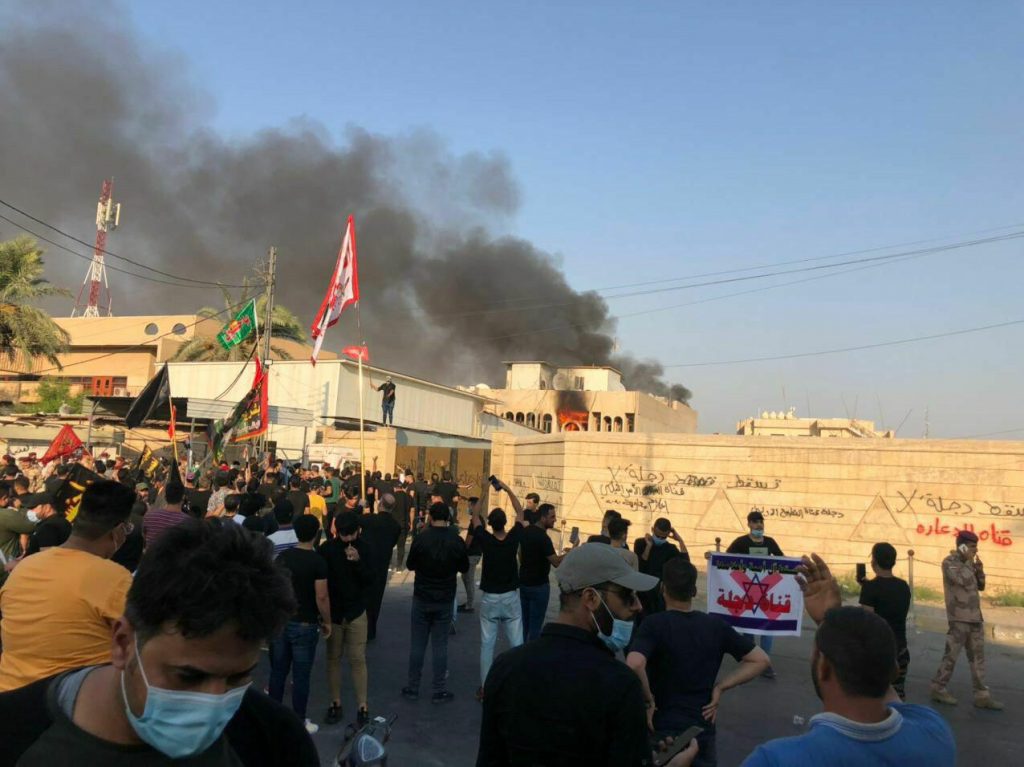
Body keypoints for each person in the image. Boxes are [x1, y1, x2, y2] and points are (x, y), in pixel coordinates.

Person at [1, 518, 317, 765]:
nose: (213, 702)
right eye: (188, 676)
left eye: (238, 678)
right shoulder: (14, 734)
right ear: (123, 644)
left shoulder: (276, 741)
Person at [477, 543, 696, 767]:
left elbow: (489, 758)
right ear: (591, 598)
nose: (637, 606)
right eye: (627, 595)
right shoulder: (619, 684)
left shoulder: (506, 667)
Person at [740, 554, 956, 767]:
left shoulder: (774, 760)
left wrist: (829, 620)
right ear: (894, 669)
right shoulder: (934, 733)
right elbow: (885, 683)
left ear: (823, 667)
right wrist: (832, 621)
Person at [627, 559, 769, 767]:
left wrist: (649, 700)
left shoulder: (653, 624)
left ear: (663, 589)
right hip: (701, 726)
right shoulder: (716, 625)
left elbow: (634, 663)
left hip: (662, 728)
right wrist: (721, 687)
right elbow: (761, 659)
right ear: (694, 591)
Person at [0, 481, 135, 691]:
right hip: (68, 703)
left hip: (9, 694)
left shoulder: (23, 569)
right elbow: (141, 647)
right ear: (118, 531)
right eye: (128, 529)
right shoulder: (115, 579)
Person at [269, 514, 331, 734]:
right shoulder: (317, 561)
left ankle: (271, 717)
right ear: (316, 534)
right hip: (305, 622)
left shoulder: (282, 558)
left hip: (282, 620)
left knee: (278, 671)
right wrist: (327, 620)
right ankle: (299, 719)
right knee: (301, 675)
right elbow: (321, 596)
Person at [403, 502, 469, 704]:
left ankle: (413, 687)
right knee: (440, 645)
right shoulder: (456, 540)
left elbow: (410, 564)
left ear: (430, 517)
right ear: (448, 518)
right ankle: (439, 689)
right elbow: (464, 566)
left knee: (418, 644)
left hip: (422, 595)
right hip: (445, 596)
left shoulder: (422, 538)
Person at [930, 530, 1003, 709]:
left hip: (975, 617)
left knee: (978, 658)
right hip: (959, 617)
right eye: (971, 546)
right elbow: (961, 580)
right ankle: (938, 688)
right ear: (961, 546)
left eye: (976, 547)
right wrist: (966, 561)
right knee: (951, 655)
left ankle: (982, 695)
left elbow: (980, 586)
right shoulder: (950, 563)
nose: (975, 550)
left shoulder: (970, 563)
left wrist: (980, 570)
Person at [470, 481, 526, 701]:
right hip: (511, 596)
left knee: (487, 645)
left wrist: (484, 490)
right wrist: (507, 489)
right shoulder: (513, 538)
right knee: (517, 645)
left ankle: (485, 688)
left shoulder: (485, 539)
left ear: (491, 525)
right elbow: (520, 512)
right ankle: (519, 687)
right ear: (505, 523)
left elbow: (475, 516)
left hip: (490, 598)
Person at [320, 511, 374, 726]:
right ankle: (335, 701)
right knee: (333, 659)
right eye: (345, 534)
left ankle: (362, 705)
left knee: (357, 659)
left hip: (356, 611)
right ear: (337, 531)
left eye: (352, 534)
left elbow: (371, 579)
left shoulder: (366, 548)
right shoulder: (327, 550)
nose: (349, 539)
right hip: (335, 613)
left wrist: (358, 562)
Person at [726, 511, 784, 677]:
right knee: (748, 628)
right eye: (755, 522)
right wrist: (712, 556)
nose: (759, 525)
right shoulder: (741, 542)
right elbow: (725, 559)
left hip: (766, 592)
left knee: (768, 628)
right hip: (747, 592)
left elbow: (782, 560)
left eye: (761, 522)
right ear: (749, 524)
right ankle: (752, 659)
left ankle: (765, 662)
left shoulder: (770, 542)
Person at [857, 542, 911, 700]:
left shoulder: (870, 588)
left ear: (873, 561)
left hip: (878, 650)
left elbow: (869, 622)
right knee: (897, 695)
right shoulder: (903, 586)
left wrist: (866, 588)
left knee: (873, 696)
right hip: (900, 649)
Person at [519, 502, 573, 641]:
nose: (555, 520)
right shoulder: (543, 538)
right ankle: (532, 651)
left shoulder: (526, 531)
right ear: (543, 518)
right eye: (552, 517)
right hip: (538, 585)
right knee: (535, 626)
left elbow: (520, 553)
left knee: (524, 623)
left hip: (524, 583)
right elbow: (556, 562)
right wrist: (572, 551)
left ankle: (523, 649)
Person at [359, 493, 402, 641]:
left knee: (362, 597)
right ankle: (371, 630)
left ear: (380, 504)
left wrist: (360, 507)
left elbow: (352, 519)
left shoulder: (370, 519)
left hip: (365, 563)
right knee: (376, 599)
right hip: (382, 564)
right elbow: (392, 543)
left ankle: (360, 629)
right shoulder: (395, 526)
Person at [634, 517, 685, 616]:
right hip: (642, 592)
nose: (660, 539)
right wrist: (648, 546)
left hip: (659, 595)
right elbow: (641, 566)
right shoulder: (640, 543)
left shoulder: (670, 549)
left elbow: (685, 563)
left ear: (668, 534)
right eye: (658, 536)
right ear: (653, 529)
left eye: (663, 537)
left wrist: (680, 540)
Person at [141, 480, 189, 548]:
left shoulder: (149, 516)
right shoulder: (188, 522)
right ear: (183, 498)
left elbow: (143, 537)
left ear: (165, 497)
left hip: (152, 554)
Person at [459, 496, 483, 613]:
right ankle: (469, 602)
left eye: (469, 506)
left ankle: (470, 605)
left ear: (474, 506)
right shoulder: (478, 520)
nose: (468, 508)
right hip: (474, 553)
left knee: (468, 578)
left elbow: (469, 540)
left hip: (472, 554)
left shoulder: (475, 521)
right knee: (465, 577)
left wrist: (462, 550)